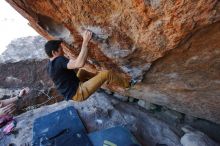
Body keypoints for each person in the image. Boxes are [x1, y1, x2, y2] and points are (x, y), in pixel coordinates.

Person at [44, 30, 131, 102]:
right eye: (60, 49)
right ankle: (129, 85)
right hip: (78, 93)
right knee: (106, 74)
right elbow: (79, 63)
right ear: (54, 52)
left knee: (83, 71)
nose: (63, 51)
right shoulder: (59, 60)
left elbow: (74, 65)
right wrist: (85, 42)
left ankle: (101, 80)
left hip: (73, 91)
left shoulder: (50, 65)